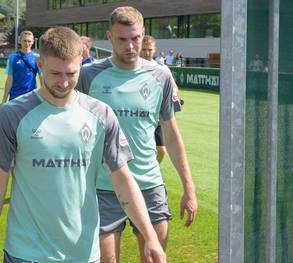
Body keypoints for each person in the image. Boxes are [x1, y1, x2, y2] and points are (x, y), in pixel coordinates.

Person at [0, 27, 166, 263]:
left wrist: (150, 236)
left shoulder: (101, 115)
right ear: (40, 64)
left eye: (71, 73)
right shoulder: (12, 115)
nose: (64, 83)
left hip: (83, 254)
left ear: (80, 65)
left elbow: (123, 181)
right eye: (55, 73)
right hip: (26, 254)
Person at [76, 6, 198, 263]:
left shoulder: (161, 75)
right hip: (103, 187)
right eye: (122, 39)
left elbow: (172, 136)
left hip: (149, 185)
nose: (131, 46)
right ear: (109, 37)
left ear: (144, 35)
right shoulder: (89, 76)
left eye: (136, 38)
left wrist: (189, 188)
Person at [140, 35, 182, 163]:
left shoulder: (162, 69)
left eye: (150, 49)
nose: (147, 52)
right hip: (138, 116)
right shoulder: (133, 67)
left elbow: (174, 88)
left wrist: (175, 98)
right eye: (144, 49)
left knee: (161, 150)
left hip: (157, 117)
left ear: (155, 50)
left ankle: (153, 172)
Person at [1, 30, 40, 105]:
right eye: (24, 41)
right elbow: (9, 79)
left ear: (32, 42)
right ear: (20, 41)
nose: (27, 43)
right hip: (14, 97)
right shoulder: (12, 58)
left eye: (29, 41)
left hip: (31, 97)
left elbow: (42, 78)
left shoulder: (37, 58)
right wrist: (4, 100)